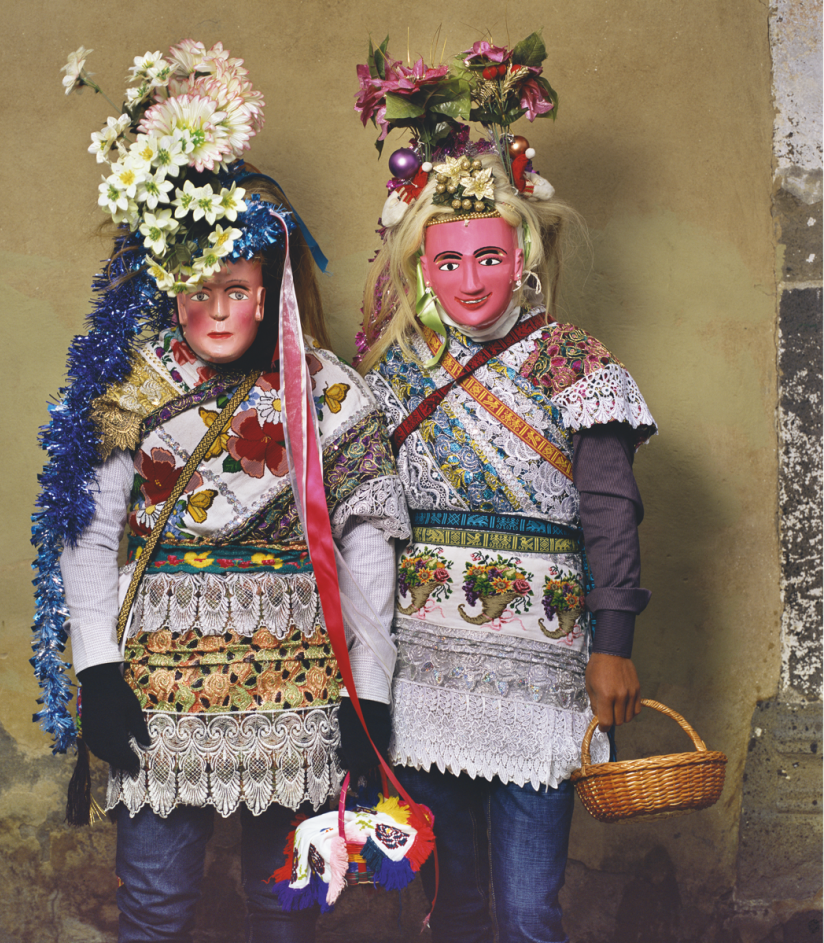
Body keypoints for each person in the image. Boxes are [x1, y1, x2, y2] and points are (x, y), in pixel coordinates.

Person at [32, 39, 406, 943]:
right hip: (157, 685)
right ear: (171, 288)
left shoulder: (331, 394)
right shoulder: (128, 385)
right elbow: (89, 534)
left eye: (236, 288)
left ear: (268, 288)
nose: (217, 308)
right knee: (157, 902)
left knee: (285, 902)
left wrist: (372, 693)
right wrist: (97, 671)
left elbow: (365, 543)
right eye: (197, 288)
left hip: (298, 683)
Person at [354, 37, 657, 943]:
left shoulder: (573, 359)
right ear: (421, 268)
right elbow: (365, 529)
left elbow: (611, 511)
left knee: (527, 915)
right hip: (424, 677)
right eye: (448, 262)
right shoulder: (394, 372)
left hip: (544, 676)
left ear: (522, 251)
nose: (470, 280)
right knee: (450, 908)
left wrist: (614, 644)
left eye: (488, 256)